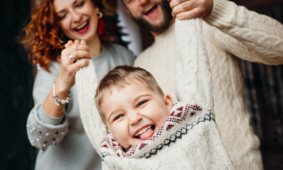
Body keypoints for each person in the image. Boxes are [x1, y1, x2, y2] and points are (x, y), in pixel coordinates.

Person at [121, 0, 283, 169]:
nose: (143, 0)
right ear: (127, 10)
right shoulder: (140, 66)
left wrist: (215, 9)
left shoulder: (209, 25)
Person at [75, 18, 233, 169]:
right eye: (118, 116)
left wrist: (185, 14)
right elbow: (93, 122)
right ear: (109, 131)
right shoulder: (114, 156)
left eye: (141, 103)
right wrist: (81, 68)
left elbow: (193, 67)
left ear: (167, 102)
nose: (134, 118)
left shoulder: (193, 116)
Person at [20, 0, 134, 169]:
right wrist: (62, 84)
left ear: (95, 6)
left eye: (79, 4)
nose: (76, 17)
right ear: (58, 25)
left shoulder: (123, 57)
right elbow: (40, 137)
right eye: (63, 15)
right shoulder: (54, 68)